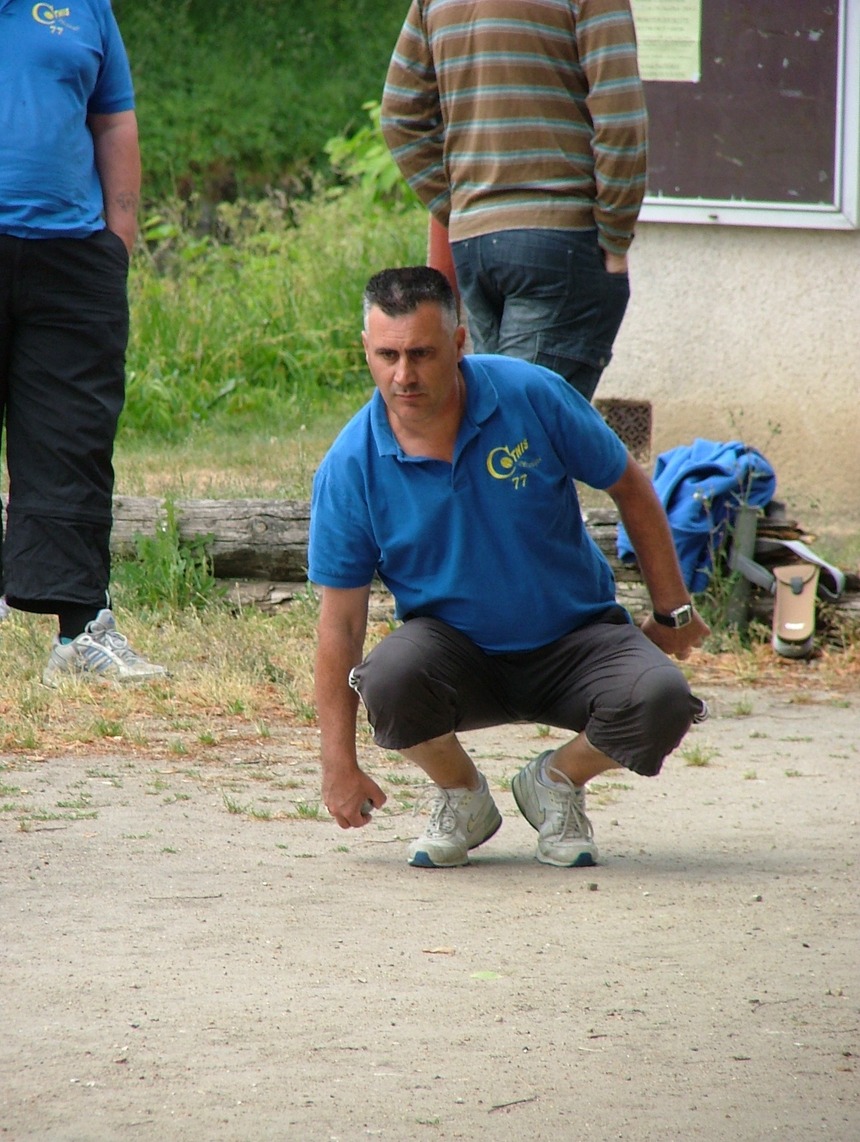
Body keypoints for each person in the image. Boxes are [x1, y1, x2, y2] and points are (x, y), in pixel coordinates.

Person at [309, 266, 710, 869]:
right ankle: (463, 797)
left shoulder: (531, 394)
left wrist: (672, 611)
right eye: (387, 354)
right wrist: (337, 763)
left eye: (422, 353)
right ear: (365, 349)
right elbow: (339, 627)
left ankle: (554, 781)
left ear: (461, 342)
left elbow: (630, 485)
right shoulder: (350, 465)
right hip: (455, 653)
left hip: (577, 638)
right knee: (387, 679)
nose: (403, 375)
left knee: (663, 698)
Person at [0, 0, 166, 686]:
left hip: (73, 256)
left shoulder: (85, 6)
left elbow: (114, 119)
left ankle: (81, 634)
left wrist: (116, 241)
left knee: (74, 437)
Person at [380, 0, 647, 403]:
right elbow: (621, 118)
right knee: (524, 434)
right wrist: (615, 233)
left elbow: (400, 116)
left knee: (503, 423)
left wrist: (462, 210)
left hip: (475, 245)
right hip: (560, 240)